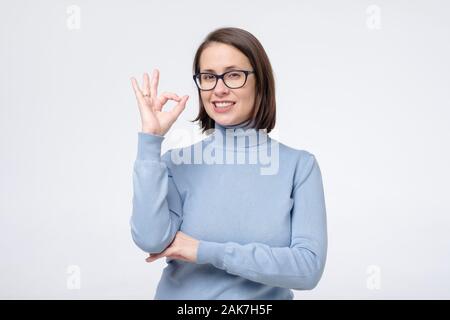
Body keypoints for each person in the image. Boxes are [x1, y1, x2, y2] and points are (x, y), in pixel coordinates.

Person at [129, 27, 327, 300]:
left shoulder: (299, 167)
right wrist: (150, 141)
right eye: (209, 77)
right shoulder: (176, 163)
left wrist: (204, 250)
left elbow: (307, 269)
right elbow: (150, 240)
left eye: (233, 75)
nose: (219, 89)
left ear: (261, 82)